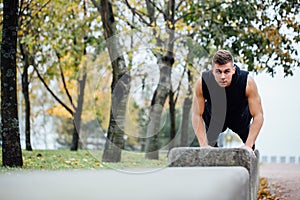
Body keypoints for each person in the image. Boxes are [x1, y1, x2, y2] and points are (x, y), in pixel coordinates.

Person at [192, 50, 264, 154]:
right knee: (207, 150)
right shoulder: (203, 83)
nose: (222, 77)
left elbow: (258, 115)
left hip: (239, 117)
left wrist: (248, 145)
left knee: (250, 148)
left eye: (226, 71)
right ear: (212, 70)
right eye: (218, 71)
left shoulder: (247, 82)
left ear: (233, 70)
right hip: (215, 119)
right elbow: (196, 115)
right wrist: (203, 145)